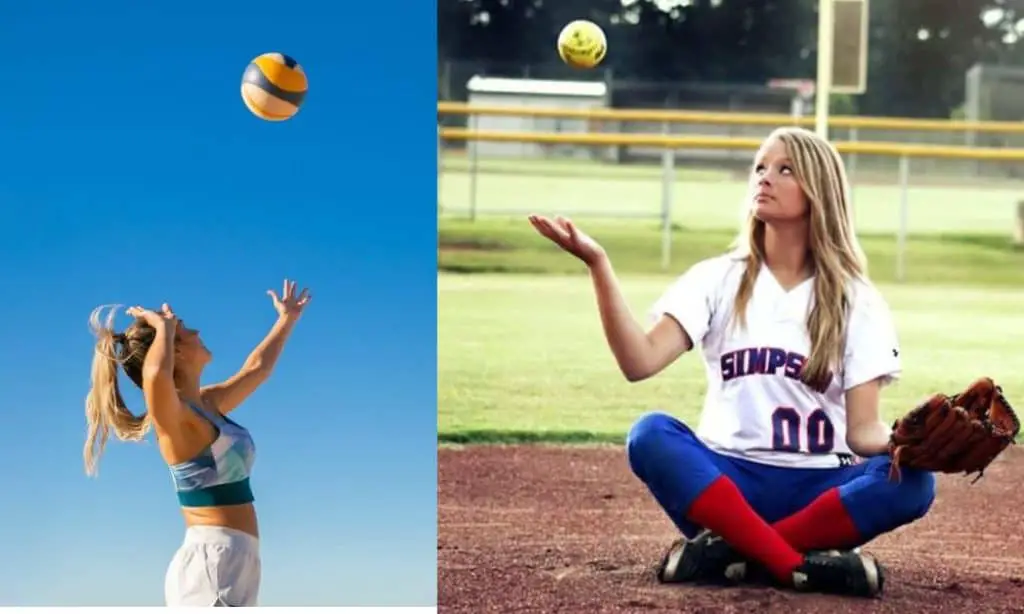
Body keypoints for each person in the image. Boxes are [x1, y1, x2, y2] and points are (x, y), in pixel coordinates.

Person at [527, 127, 936, 599]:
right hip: (729, 484)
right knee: (651, 434)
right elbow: (638, 362)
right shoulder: (717, 280)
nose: (765, 178)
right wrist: (598, 264)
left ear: (819, 191)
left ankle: (730, 552)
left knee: (913, 483)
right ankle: (794, 564)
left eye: (785, 170)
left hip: (820, 488)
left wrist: (909, 441)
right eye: (760, 167)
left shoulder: (855, 299)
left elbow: (862, 433)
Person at [83, 279, 312, 606]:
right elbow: (155, 378)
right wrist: (163, 328)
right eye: (185, 329)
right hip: (210, 564)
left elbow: (257, 369)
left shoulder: (207, 404)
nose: (197, 331)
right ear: (174, 349)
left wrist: (286, 320)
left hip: (237, 558)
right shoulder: (175, 421)